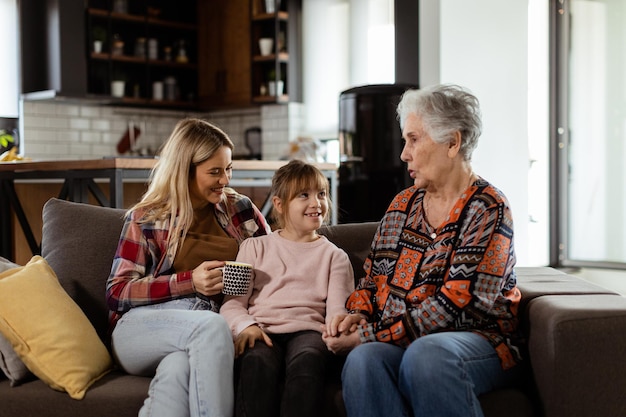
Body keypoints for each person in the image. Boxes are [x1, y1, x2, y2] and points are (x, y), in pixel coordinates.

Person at [323, 84, 524, 417]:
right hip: (405, 339)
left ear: (452, 142)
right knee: (363, 360)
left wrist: (370, 334)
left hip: (478, 341)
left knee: (428, 355)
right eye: (405, 141)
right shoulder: (402, 205)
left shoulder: (488, 207)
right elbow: (373, 280)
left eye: (414, 139)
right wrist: (359, 315)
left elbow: (455, 304)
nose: (404, 154)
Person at [106, 118, 272, 417]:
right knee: (210, 325)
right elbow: (117, 292)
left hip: (204, 334)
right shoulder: (148, 218)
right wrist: (189, 282)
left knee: (177, 370)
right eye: (215, 172)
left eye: (228, 168)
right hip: (142, 330)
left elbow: (274, 265)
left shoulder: (241, 209)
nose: (225, 180)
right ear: (185, 171)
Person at [220, 159, 355, 417]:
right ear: (280, 204)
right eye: (304, 195)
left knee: (308, 359)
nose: (316, 203)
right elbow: (232, 303)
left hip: (309, 332)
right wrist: (245, 326)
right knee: (256, 362)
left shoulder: (336, 257)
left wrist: (337, 329)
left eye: (321, 194)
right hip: (261, 330)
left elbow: (337, 312)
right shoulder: (252, 247)